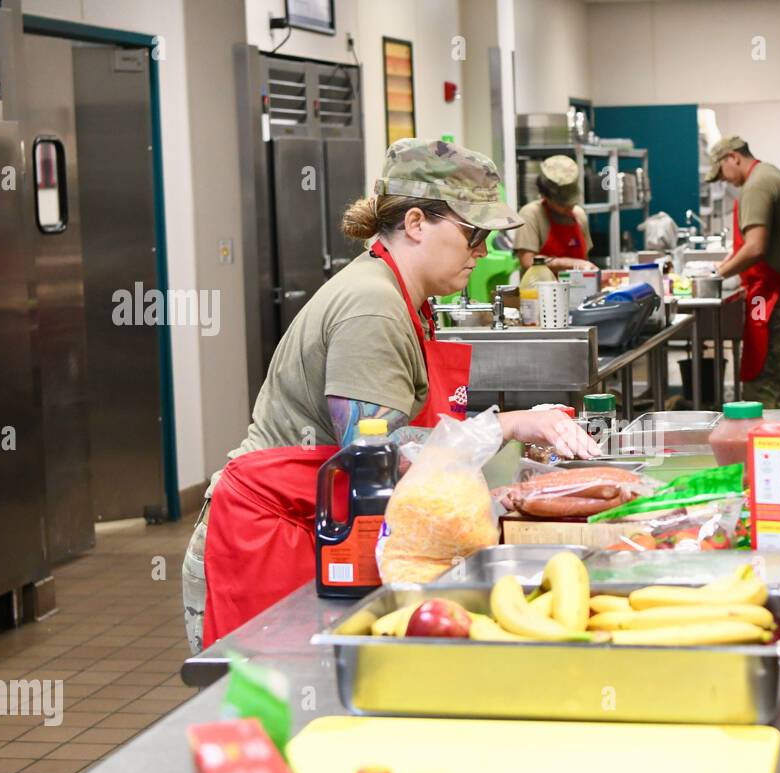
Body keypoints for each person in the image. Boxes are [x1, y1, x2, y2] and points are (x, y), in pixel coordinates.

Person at [182, 139, 600, 654]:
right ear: (417, 223)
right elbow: (372, 451)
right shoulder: (373, 306)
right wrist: (506, 425)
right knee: (276, 709)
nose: (482, 252)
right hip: (271, 532)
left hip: (326, 523)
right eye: (473, 234)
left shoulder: (408, 298)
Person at [708, 135, 780, 409]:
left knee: (767, 383)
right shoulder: (773, 175)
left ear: (733, 157)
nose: (722, 179)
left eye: (721, 171)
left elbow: (755, 247)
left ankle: (770, 447)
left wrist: (716, 274)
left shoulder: (756, 187)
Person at [512, 154, 596, 273]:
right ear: (545, 196)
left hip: (579, 289)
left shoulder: (579, 214)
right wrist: (569, 263)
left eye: (572, 203)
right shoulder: (531, 214)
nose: (569, 208)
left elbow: (585, 260)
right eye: (562, 204)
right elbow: (527, 261)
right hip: (541, 290)